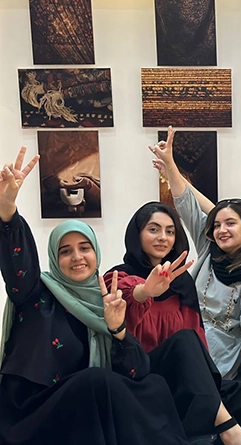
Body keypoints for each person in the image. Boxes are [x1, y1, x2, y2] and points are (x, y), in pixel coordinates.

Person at [0, 147, 189, 445]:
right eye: (65, 251)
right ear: (54, 259)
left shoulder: (105, 300)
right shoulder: (35, 291)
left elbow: (135, 372)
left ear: (96, 253)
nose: (77, 257)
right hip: (33, 411)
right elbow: (18, 267)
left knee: (152, 384)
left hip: (81, 406)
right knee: (96, 380)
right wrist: (8, 210)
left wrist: (118, 329)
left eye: (84, 248)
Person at [105, 201, 241, 444]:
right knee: (184, 342)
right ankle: (229, 431)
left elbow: (196, 335)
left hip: (176, 377)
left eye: (170, 231)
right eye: (153, 229)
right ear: (137, 234)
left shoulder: (182, 283)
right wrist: (146, 291)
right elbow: (128, 296)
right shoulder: (119, 276)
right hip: (139, 374)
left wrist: (203, 379)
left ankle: (190, 420)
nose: (163, 237)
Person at [151, 129, 241, 381]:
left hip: (221, 347)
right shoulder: (209, 248)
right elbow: (186, 205)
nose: (221, 230)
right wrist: (171, 166)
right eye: (217, 225)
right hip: (185, 329)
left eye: (230, 223)